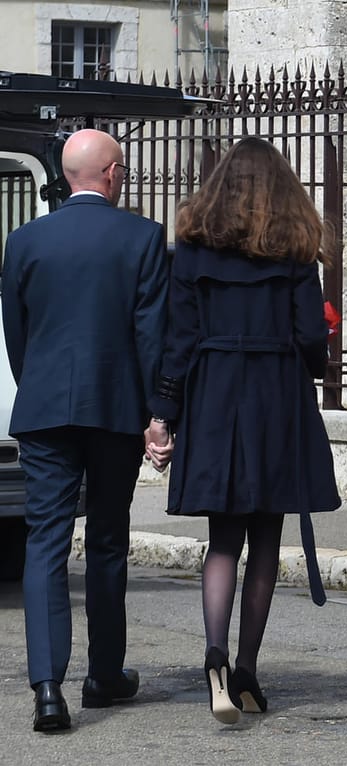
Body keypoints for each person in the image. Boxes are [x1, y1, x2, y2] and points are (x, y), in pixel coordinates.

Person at [142, 137, 341, 725]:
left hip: (214, 394)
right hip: (275, 394)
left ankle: (214, 657)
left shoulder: (192, 252)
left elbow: (175, 344)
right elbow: (311, 337)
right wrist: (310, 367)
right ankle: (248, 669)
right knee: (266, 539)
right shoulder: (297, 254)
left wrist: (162, 416)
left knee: (223, 539)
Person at [2, 128, 166, 732]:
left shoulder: (25, 240)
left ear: (66, 177)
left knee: (44, 541)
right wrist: (157, 414)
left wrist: (39, 384)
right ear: (113, 173)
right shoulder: (143, 237)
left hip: (45, 407)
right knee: (106, 538)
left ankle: (48, 686)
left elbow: (17, 332)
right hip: (116, 408)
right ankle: (103, 674)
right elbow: (151, 334)